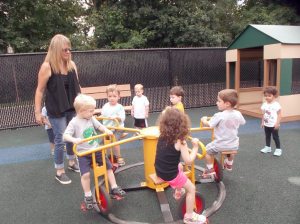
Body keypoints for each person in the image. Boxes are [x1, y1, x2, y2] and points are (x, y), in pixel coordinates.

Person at [63, 94, 126, 209]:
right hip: (83, 154)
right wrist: (74, 139)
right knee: (86, 174)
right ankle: (87, 195)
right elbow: (65, 135)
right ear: (81, 111)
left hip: (96, 150)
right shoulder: (74, 122)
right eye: (90, 111)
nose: (93, 113)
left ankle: (114, 187)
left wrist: (107, 130)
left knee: (108, 167)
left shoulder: (91, 118)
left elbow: (100, 126)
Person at [34, 34, 81, 184]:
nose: (68, 52)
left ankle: (72, 163)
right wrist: (37, 113)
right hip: (56, 109)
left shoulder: (71, 65)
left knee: (71, 135)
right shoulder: (47, 67)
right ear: (55, 50)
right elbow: (40, 91)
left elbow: (77, 87)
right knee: (60, 140)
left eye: (69, 49)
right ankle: (59, 171)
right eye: (64, 50)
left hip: (71, 108)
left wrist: (83, 104)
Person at [155, 107, 208, 224]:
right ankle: (189, 216)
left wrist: (167, 113)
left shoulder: (162, 135)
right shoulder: (181, 142)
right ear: (182, 124)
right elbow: (188, 160)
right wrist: (195, 147)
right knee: (191, 189)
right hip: (170, 174)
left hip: (159, 170)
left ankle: (178, 190)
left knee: (179, 166)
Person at [200, 89, 245, 178]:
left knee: (207, 151)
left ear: (227, 103)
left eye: (219, 101)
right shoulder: (238, 114)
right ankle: (229, 163)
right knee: (231, 151)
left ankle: (210, 170)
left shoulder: (219, 115)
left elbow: (209, 125)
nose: (217, 103)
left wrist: (204, 119)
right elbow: (242, 122)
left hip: (220, 144)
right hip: (233, 143)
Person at [101, 84, 126, 166]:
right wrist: (97, 117)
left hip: (117, 128)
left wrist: (117, 117)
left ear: (119, 97)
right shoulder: (105, 106)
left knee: (114, 141)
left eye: (114, 96)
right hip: (107, 128)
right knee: (105, 142)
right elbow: (103, 116)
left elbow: (122, 118)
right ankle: (106, 156)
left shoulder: (119, 107)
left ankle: (118, 157)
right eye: (110, 96)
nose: (112, 98)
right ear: (107, 96)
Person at [260, 86, 282, 156]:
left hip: (274, 125)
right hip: (267, 124)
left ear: (274, 96)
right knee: (267, 136)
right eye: (265, 96)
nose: (267, 97)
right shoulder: (264, 104)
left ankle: (278, 149)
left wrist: (277, 123)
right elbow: (263, 114)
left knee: (275, 137)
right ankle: (268, 147)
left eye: (269, 96)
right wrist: (262, 122)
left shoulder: (276, 105)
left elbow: (279, 115)